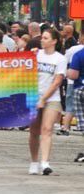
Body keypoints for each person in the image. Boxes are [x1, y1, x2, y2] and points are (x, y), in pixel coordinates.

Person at [29, 28, 66, 175]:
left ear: (54, 41)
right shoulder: (36, 54)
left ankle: (45, 163)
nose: (42, 40)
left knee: (47, 129)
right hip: (34, 95)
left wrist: (44, 99)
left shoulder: (60, 59)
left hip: (52, 98)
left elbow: (57, 81)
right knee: (34, 131)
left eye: (45, 38)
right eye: (42, 38)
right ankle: (34, 161)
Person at [60, 31, 84, 136]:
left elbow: (73, 73)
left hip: (78, 86)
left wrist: (67, 72)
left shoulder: (76, 52)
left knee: (70, 106)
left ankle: (65, 127)